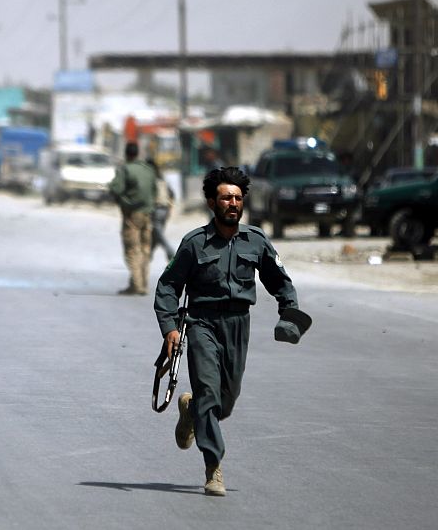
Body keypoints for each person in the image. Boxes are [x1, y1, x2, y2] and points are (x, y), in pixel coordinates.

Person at [154, 166, 311, 496]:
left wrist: (289, 313)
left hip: (239, 325)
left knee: (225, 402)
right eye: (226, 197)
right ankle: (213, 468)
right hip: (201, 323)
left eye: (238, 198)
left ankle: (192, 410)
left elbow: (281, 282)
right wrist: (170, 328)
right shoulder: (194, 243)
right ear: (212, 203)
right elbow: (168, 285)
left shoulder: (255, 241)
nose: (233, 203)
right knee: (210, 393)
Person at [108, 142, 156, 295]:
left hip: (132, 215)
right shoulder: (148, 170)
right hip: (148, 214)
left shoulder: (125, 169)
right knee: (145, 249)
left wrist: (122, 199)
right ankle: (141, 282)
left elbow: (116, 188)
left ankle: (137, 285)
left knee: (132, 249)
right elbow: (154, 190)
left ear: (126, 153)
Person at [147, 158, 176, 261]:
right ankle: (148, 255)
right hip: (165, 209)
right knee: (156, 234)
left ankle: (170, 251)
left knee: (158, 234)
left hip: (157, 209)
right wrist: (170, 208)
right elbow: (172, 194)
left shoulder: (151, 180)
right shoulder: (162, 179)